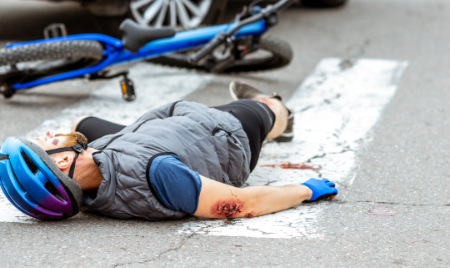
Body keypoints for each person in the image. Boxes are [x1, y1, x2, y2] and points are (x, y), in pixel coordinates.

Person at [0, 82, 338, 221]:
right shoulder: (159, 173)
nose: (47, 134)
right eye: (43, 141)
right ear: (61, 161)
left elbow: (121, 162)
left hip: (152, 135)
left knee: (83, 122)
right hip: (224, 135)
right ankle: (277, 111)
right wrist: (304, 190)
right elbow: (241, 203)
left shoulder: (91, 183)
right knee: (263, 109)